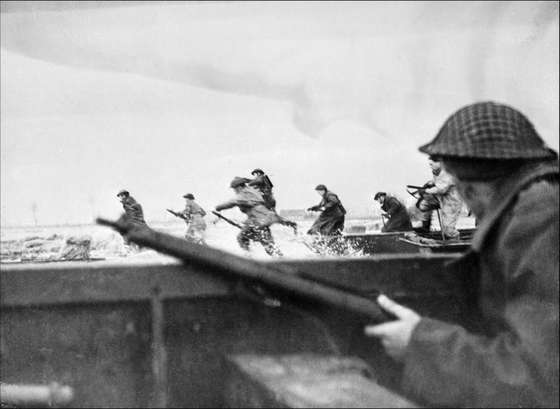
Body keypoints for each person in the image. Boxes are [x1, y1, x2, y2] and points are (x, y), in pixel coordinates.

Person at [365, 101, 559, 407]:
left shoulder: (538, 216)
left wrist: (419, 343)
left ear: (467, 187)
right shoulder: (542, 201)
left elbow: (538, 377)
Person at [215, 177, 283, 256]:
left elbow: (233, 202)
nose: (235, 191)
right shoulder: (252, 190)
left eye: (235, 189)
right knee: (268, 244)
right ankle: (281, 259)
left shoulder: (243, 194)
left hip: (257, 220)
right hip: (264, 219)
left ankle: (249, 256)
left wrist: (218, 207)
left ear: (239, 187)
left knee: (241, 238)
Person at [414, 157, 463, 239]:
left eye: (434, 161)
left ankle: (455, 241)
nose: (430, 164)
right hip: (440, 198)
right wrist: (430, 183)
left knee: (448, 230)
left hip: (451, 202)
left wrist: (426, 190)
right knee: (423, 204)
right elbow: (438, 180)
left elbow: (441, 189)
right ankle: (425, 227)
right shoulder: (437, 171)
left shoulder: (448, 172)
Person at [248, 168, 298, 233]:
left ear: (258, 173)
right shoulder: (264, 180)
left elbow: (257, 182)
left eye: (255, 175)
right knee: (274, 217)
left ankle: (254, 226)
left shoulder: (262, 177)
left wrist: (248, 182)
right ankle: (291, 224)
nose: (255, 176)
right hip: (269, 199)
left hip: (267, 199)